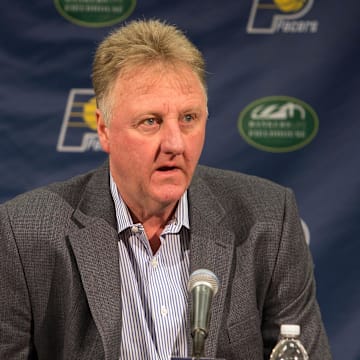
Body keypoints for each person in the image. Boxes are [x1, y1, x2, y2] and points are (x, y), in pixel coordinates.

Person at [0, 19, 332, 360]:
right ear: (104, 129)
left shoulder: (268, 220)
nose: (175, 143)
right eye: (151, 121)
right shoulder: (25, 234)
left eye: (188, 118)